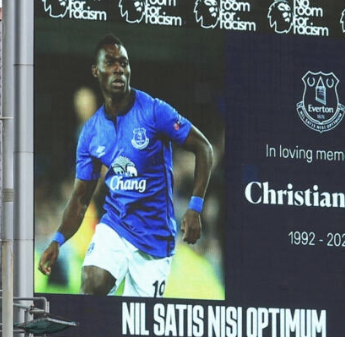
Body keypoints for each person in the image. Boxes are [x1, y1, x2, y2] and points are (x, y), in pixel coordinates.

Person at [38, 33, 214, 298]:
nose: (119, 67)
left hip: (155, 239)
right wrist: (57, 240)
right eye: (110, 62)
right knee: (92, 284)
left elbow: (204, 149)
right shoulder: (92, 132)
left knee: (138, 327)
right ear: (96, 71)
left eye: (124, 62)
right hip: (115, 226)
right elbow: (80, 198)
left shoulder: (154, 111)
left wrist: (194, 208)